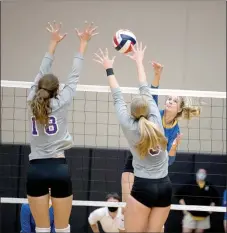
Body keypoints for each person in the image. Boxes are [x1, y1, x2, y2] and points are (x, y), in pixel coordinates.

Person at [26, 21, 98, 233]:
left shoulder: (31, 99)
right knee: (62, 228)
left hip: (36, 170)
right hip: (58, 169)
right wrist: (83, 43)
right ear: (58, 90)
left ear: (39, 88)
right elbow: (74, 76)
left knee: (40, 228)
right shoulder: (62, 101)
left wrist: (52, 43)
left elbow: (41, 71)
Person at [94, 43, 172, 232]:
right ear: (148, 107)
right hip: (165, 186)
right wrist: (139, 61)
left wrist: (108, 67)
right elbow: (144, 87)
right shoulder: (156, 118)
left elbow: (117, 95)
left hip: (143, 186)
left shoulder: (128, 125)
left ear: (132, 113)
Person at [121, 60, 201, 204]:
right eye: (169, 99)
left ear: (180, 109)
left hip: (154, 170)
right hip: (137, 159)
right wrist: (157, 74)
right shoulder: (156, 114)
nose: (169, 101)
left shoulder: (175, 131)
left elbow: (168, 162)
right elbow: (152, 94)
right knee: (127, 206)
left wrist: (174, 148)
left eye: (174, 101)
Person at [176, 168, 219, 233]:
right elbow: (178, 194)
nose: (201, 174)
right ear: (196, 174)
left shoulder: (209, 186)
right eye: (200, 172)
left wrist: (211, 209)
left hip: (204, 216)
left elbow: (216, 198)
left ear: (206, 175)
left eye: (203, 173)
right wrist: (184, 207)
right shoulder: (190, 184)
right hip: (190, 214)